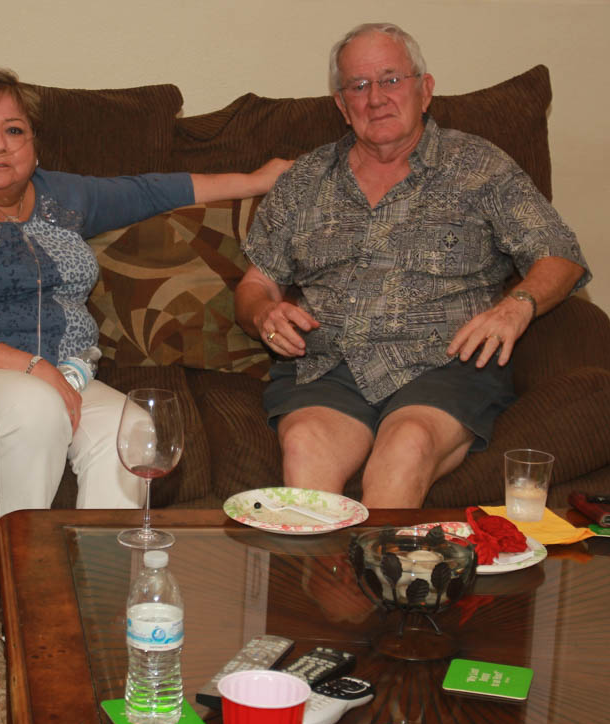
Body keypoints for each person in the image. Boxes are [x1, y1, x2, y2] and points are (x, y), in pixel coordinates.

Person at [0, 65, 289, 524]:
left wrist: (256, 181)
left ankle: (98, 587)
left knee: (131, 429)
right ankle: (28, 582)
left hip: (56, 377)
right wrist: (35, 369)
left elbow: (152, 190)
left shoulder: (60, 195)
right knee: (33, 406)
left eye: (13, 130)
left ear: (33, 146)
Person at [234, 23, 590, 510]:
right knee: (305, 447)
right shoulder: (304, 180)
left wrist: (517, 306)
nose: (375, 97)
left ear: (425, 90)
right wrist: (263, 314)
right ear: (342, 105)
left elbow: (561, 254)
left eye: (391, 79)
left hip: (444, 363)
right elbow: (256, 283)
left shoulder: (480, 166)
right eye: (358, 86)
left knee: (406, 445)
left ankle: (383, 584)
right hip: (329, 364)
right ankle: (321, 584)